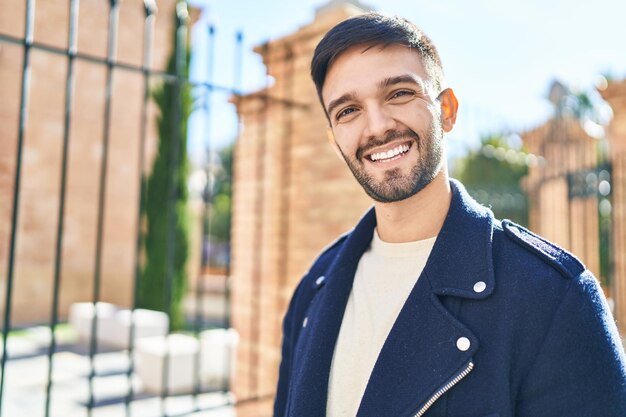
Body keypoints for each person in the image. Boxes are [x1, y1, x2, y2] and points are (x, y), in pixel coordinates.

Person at [273, 12, 626, 417]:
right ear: (335, 141)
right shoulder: (314, 287)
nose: (377, 126)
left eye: (399, 93)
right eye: (348, 111)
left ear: (447, 111)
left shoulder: (554, 297)